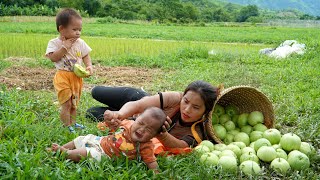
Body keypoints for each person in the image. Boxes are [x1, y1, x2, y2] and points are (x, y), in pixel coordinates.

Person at [86, 80, 221, 149]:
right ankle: (119, 110)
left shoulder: (197, 131)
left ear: (206, 111)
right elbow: (138, 105)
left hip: (135, 120)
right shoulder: (174, 98)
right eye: (185, 101)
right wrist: (119, 114)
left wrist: (163, 135)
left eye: (196, 107)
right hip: (135, 100)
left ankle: (122, 114)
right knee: (96, 91)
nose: (186, 109)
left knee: (91, 113)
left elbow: (181, 146)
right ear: (183, 96)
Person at [48, 107, 166, 172]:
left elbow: (151, 161)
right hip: (101, 141)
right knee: (81, 138)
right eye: (141, 123)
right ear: (137, 118)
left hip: (106, 155)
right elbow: (113, 126)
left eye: (149, 130)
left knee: (87, 153)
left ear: (154, 135)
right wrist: (111, 120)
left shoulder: (146, 146)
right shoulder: (128, 125)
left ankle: (65, 153)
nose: (142, 129)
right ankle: (63, 147)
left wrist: (156, 173)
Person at [45, 8, 93, 133]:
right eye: (74, 29)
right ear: (61, 29)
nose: (78, 33)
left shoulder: (80, 42)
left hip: (76, 77)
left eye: (80, 30)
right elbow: (53, 58)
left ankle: (73, 123)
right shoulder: (54, 43)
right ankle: (66, 126)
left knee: (74, 103)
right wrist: (64, 48)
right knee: (66, 103)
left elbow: (86, 55)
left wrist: (89, 66)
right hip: (63, 76)